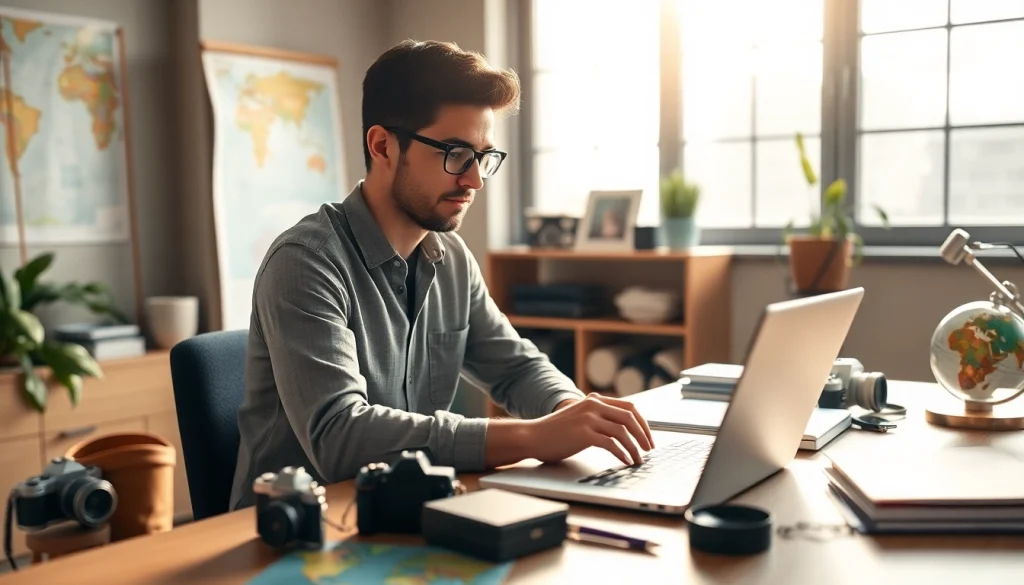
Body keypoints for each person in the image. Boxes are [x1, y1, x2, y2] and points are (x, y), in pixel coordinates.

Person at [229, 40, 654, 509]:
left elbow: (515, 367)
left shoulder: (451, 257)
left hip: (403, 511)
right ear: (383, 146)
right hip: (292, 534)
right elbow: (340, 436)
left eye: (484, 156)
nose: (474, 180)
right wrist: (532, 437)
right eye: (456, 153)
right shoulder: (304, 262)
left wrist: (571, 412)